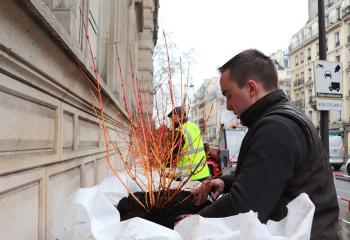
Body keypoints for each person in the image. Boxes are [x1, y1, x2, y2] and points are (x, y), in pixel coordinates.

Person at [193, 49, 339, 239]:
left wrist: (194, 221)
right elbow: (264, 175)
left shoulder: (276, 128)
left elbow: (245, 208)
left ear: (252, 88)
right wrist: (226, 182)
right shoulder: (282, 120)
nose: (228, 105)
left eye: (228, 95)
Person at [167, 106, 211, 181]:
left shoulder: (179, 131)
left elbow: (172, 154)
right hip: (204, 173)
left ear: (177, 117)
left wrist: (165, 168)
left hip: (189, 177)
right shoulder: (194, 126)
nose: (172, 122)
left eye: (172, 119)